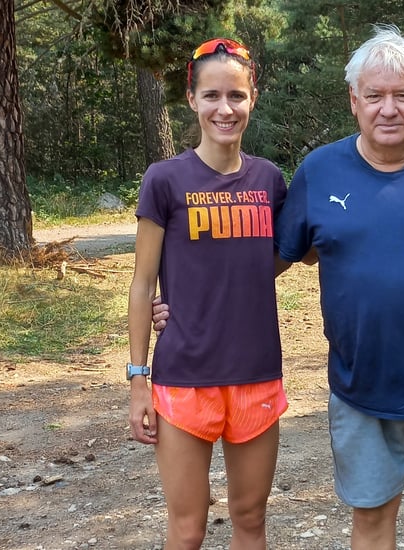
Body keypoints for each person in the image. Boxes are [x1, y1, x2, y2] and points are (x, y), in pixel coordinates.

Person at [155, 24, 404, 550]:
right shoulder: (320, 172)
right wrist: (185, 300)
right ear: (353, 100)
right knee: (372, 517)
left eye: (403, 95)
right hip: (359, 389)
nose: (389, 108)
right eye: (374, 95)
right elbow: (268, 261)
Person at [128, 37, 288, 550]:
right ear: (192, 99)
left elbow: (274, 257)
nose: (226, 108)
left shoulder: (270, 180)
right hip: (183, 378)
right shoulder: (164, 180)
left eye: (236, 96)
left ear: (253, 98)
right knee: (188, 527)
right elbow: (141, 283)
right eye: (213, 95)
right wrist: (137, 378)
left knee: (250, 519)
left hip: (256, 373)